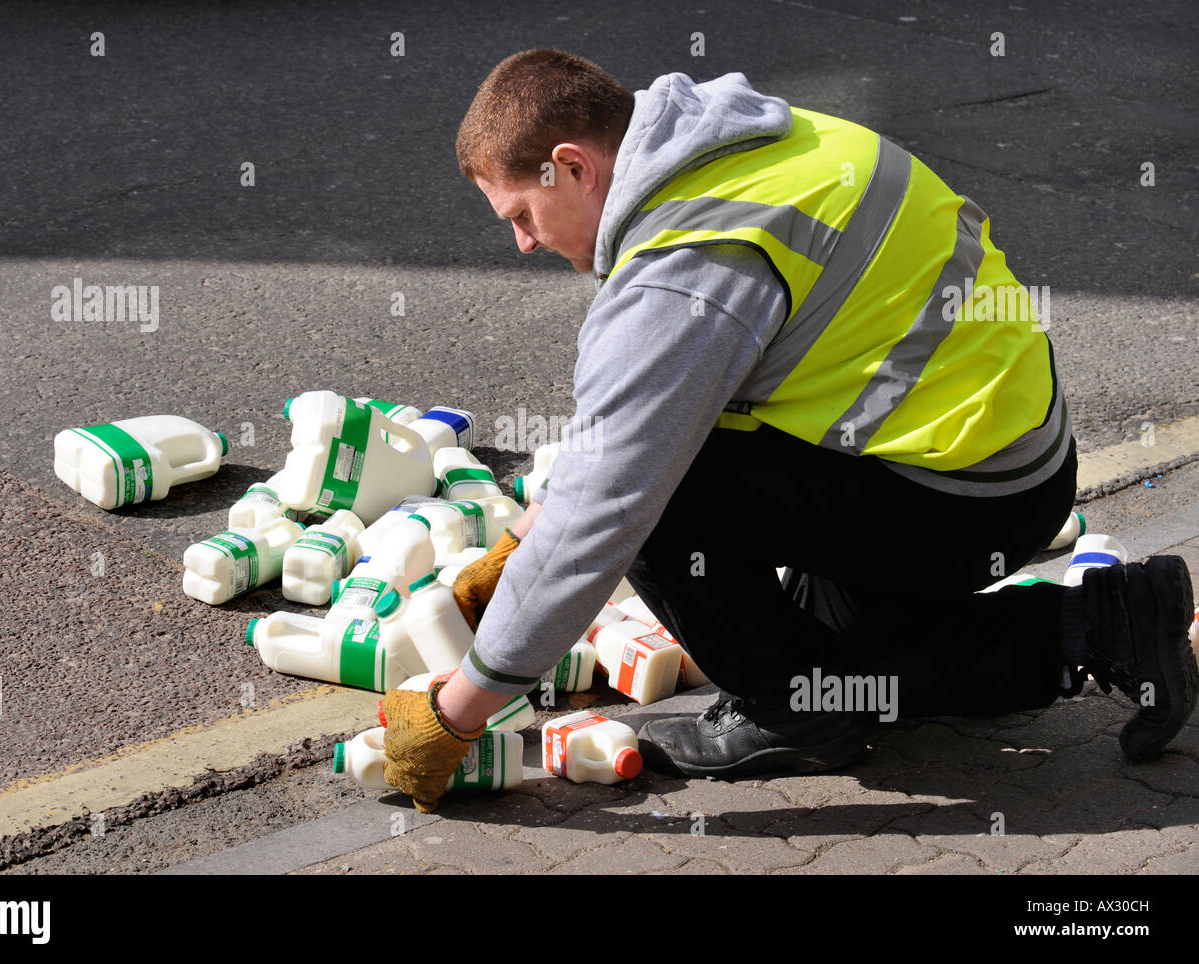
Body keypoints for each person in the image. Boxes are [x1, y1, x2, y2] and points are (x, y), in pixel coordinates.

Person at [379, 49, 1198, 813]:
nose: (523, 242)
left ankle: (796, 718)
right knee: (835, 654)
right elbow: (646, 415)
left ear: (572, 165)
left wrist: (459, 712)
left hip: (958, 491)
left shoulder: (689, 263)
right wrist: (526, 543)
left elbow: (611, 499)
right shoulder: (751, 141)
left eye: (521, 213)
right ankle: (1109, 622)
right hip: (1004, 454)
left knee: (666, 516)